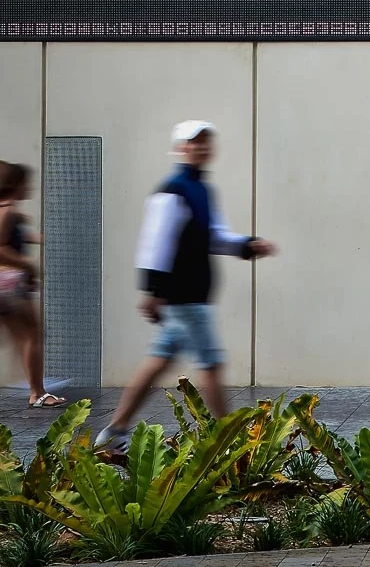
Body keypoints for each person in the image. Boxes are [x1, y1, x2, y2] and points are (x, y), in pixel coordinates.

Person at [93, 121, 277, 453]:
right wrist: (153, 289)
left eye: (206, 142)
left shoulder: (202, 190)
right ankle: (227, 443)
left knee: (158, 362)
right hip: (186, 297)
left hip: (189, 296)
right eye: (194, 142)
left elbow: (214, 237)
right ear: (181, 148)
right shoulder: (174, 190)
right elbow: (155, 241)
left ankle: (113, 432)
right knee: (211, 364)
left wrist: (248, 246)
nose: (202, 147)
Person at [0, 162, 65, 408]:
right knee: (32, 334)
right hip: (9, 284)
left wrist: (35, 237)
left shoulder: (10, 212)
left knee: (21, 336)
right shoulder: (7, 210)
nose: (29, 187)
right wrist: (28, 265)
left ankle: (34, 384)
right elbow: (1, 248)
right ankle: (37, 392)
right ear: (14, 185)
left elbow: (12, 237)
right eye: (26, 183)